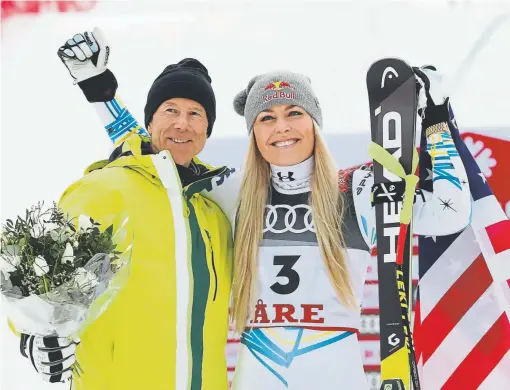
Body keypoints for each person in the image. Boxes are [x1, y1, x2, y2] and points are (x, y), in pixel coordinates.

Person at [63, 30, 471, 389]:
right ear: (253, 132)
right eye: (266, 118)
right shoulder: (233, 191)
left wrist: (436, 119)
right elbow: (163, 149)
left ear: (314, 124)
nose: (281, 128)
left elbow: (450, 211)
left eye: (295, 113)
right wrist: (102, 94)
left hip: (335, 372)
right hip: (257, 371)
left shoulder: (355, 188)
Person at [16, 28, 234, 390]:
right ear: (150, 123)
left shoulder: (215, 208)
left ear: (207, 130)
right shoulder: (106, 188)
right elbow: (36, 271)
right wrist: (35, 336)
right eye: (171, 110)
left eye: (196, 113)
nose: (183, 123)